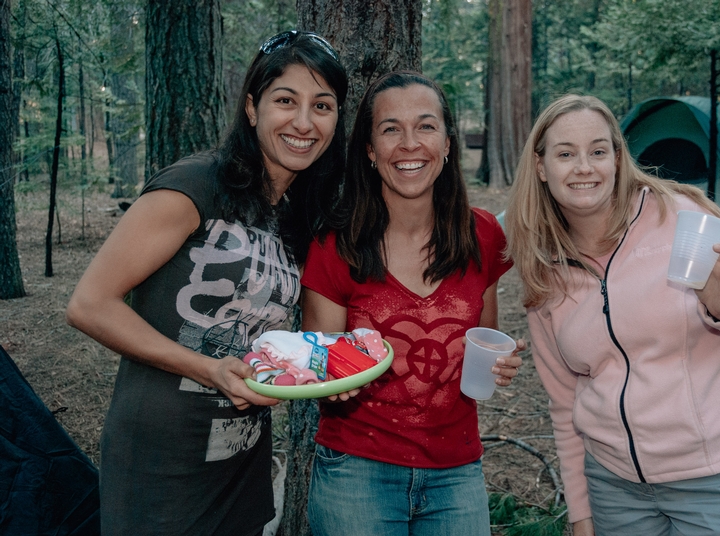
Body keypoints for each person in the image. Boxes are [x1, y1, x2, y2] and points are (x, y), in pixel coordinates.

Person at [65, 30, 347, 536]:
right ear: (252, 108)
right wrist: (208, 369)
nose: (304, 123)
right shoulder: (196, 185)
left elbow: (288, 341)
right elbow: (89, 304)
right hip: (160, 460)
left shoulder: (298, 216)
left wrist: (345, 371)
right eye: (286, 100)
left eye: (322, 106)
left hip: (241, 459)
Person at [504, 94, 720, 536]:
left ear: (618, 160)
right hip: (616, 491)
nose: (585, 167)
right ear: (542, 168)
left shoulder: (680, 217)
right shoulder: (546, 268)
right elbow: (565, 402)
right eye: (566, 154)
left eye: (598, 151)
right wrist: (582, 511)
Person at [300, 71, 525, 535]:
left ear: (446, 144)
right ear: (369, 149)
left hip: (457, 471)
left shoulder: (482, 235)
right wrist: (332, 372)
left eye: (425, 126)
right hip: (356, 472)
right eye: (390, 129)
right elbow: (318, 361)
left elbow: (481, 343)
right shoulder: (335, 246)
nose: (409, 144)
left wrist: (496, 364)